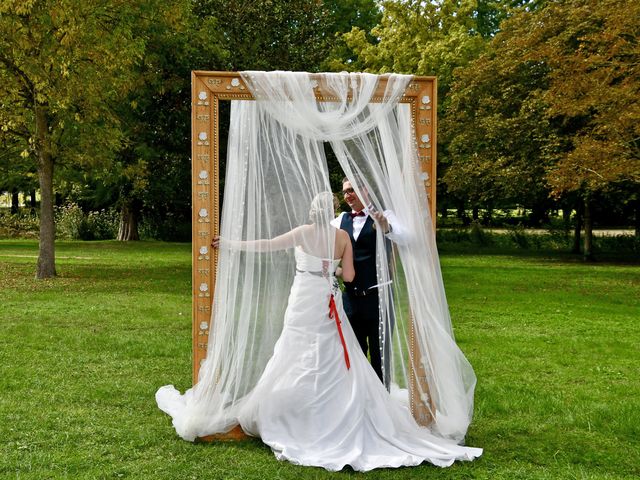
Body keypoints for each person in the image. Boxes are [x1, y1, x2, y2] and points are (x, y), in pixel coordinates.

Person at [174, 191, 483, 472]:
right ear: (333, 210)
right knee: (332, 353)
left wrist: (230, 244)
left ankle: (295, 409)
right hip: (326, 297)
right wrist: (330, 270)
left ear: (312, 211)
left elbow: (267, 246)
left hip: (303, 298)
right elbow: (348, 275)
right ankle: (331, 408)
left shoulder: (301, 232)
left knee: (293, 350)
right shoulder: (342, 237)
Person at [331, 178, 404, 384]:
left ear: (366, 190)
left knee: (381, 353)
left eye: (352, 190)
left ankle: (382, 402)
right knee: (354, 353)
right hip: (350, 299)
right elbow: (321, 246)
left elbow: (405, 237)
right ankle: (360, 400)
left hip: (378, 297)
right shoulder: (339, 221)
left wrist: (386, 227)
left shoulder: (385, 216)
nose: (348, 195)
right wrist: (336, 271)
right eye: (345, 191)